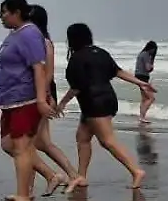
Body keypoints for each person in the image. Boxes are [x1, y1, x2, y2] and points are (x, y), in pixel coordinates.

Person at [54, 23, 156, 192]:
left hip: (94, 103)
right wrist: (140, 82)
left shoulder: (77, 58)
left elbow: (77, 87)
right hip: (106, 99)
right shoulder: (101, 52)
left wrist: (62, 103)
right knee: (82, 137)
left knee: (107, 141)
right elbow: (118, 71)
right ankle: (82, 176)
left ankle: (136, 171)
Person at [0, 0, 63, 201]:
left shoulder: (30, 33)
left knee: (22, 147)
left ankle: (24, 196)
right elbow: (6, 68)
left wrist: (42, 99)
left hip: (25, 99)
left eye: (4, 12)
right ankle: (51, 175)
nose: (1, 17)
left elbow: (39, 68)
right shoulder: (14, 34)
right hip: (9, 100)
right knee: (8, 145)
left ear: (17, 12)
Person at [27, 4, 78, 188]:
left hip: (40, 93)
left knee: (30, 143)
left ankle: (30, 188)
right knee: (40, 143)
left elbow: (48, 73)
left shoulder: (43, 42)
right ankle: (72, 175)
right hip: (40, 92)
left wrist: (46, 97)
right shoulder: (38, 40)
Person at [134, 41, 158, 123]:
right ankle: (142, 117)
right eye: (154, 50)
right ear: (151, 48)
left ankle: (141, 117)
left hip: (138, 76)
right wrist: (151, 66)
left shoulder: (141, 54)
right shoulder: (146, 55)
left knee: (144, 99)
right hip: (143, 77)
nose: (153, 52)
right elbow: (148, 68)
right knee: (151, 98)